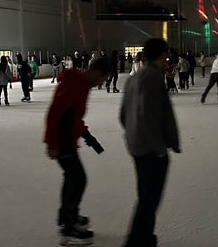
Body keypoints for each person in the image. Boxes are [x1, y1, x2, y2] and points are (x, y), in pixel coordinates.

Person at [120, 38, 181, 247]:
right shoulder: (154, 77)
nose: (168, 59)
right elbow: (149, 115)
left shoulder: (133, 78)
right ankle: (135, 241)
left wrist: (133, 135)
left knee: (145, 195)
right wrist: (159, 148)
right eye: (166, 55)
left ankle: (145, 236)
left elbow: (123, 114)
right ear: (162, 54)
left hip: (136, 145)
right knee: (149, 200)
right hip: (150, 149)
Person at [44, 57, 110, 246]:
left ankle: (67, 218)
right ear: (97, 73)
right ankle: (68, 228)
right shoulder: (75, 85)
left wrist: (88, 137)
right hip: (62, 141)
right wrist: (52, 143)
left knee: (73, 178)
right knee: (78, 179)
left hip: (67, 140)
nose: (102, 83)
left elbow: (73, 118)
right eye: (103, 79)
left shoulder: (81, 85)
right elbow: (55, 114)